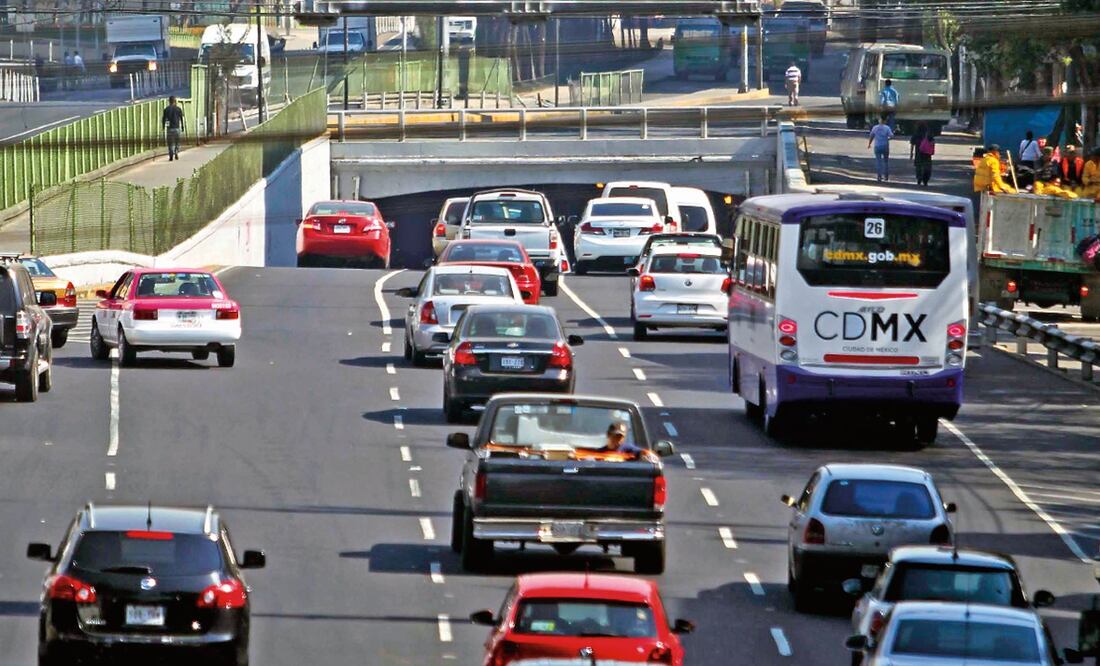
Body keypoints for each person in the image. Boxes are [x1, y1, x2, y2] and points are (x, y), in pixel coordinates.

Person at [868, 115, 894, 182]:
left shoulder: (875, 127)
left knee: (878, 161)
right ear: (885, 121)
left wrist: (869, 144)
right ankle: (886, 176)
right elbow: (891, 136)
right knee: (886, 161)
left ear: (879, 120)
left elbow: (871, 136)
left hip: (877, 146)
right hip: (885, 145)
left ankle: (879, 176)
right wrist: (888, 139)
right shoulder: (887, 128)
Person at [909, 122, 934, 187]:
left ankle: (919, 178)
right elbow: (933, 143)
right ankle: (925, 180)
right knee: (927, 166)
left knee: (918, 166)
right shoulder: (928, 134)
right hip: (927, 153)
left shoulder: (916, 134)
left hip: (918, 153)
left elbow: (912, 144)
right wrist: (932, 150)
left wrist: (911, 153)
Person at [161, 96, 185, 161]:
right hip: (177, 128)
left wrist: (163, 127)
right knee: (177, 142)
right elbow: (181, 119)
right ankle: (176, 151)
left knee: (170, 143)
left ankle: (171, 154)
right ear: (175, 101)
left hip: (169, 129)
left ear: (169, 101)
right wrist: (182, 127)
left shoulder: (166, 109)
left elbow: (164, 119)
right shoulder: (178, 109)